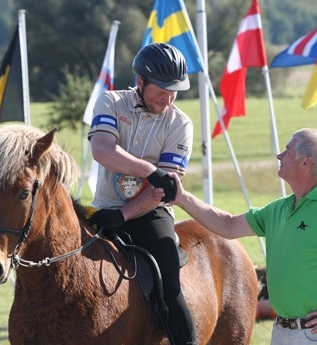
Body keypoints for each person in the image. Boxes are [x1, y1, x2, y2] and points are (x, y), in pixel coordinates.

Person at [169, 128, 317, 345]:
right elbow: (228, 225)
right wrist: (181, 197)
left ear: (306, 163)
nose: (280, 155)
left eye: (287, 150)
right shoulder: (280, 208)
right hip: (283, 332)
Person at [86, 42, 196, 345]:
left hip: (151, 212)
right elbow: (102, 150)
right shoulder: (110, 102)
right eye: (162, 89)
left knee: (171, 290)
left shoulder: (181, 124)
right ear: (140, 81)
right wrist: (150, 171)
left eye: (175, 90)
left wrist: (122, 215)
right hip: (102, 208)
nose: (169, 97)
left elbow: (164, 189)